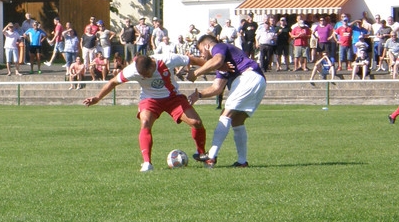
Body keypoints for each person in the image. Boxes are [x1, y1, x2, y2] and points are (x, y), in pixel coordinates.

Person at [83, 53, 209, 173]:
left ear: (152, 66)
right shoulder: (132, 70)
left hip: (173, 98)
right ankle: (147, 163)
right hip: (150, 99)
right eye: (141, 75)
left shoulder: (168, 59)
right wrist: (97, 98)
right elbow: (113, 82)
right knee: (145, 122)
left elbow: (194, 60)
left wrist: (210, 69)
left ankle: (201, 153)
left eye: (146, 74)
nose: (144, 77)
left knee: (196, 122)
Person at [188, 34, 267, 168]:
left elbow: (217, 61)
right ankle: (242, 162)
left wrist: (196, 73)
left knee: (225, 115)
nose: (202, 55)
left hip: (248, 77)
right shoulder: (223, 64)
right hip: (258, 80)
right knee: (237, 121)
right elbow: (217, 88)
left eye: (201, 51)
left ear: (207, 46)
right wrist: (199, 95)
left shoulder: (219, 47)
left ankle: (211, 155)